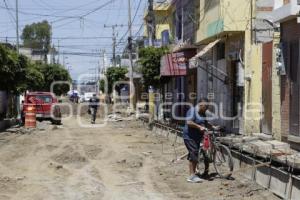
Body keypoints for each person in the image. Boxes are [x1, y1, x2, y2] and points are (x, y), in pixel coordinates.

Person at [183, 98, 219, 183]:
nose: (207, 108)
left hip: (197, 137)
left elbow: (205, 122)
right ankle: (191, 176)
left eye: (208, 106)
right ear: (200, 104)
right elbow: (189, 122)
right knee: (194, 153)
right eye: (206, 106)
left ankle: (194, 174)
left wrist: (213, 127)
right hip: (189, 136)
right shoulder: (192, 111)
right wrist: (199, 127)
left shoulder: (202, 113)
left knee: (193, 154)